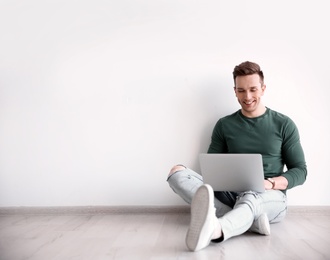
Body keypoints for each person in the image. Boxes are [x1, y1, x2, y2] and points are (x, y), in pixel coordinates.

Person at [166, 61, 307, 252]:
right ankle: (252, 222)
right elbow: (211, 169)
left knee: (251, 196)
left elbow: (300, 171)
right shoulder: (224, 125)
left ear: (263, 89)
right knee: (177, 173)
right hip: (230, 195)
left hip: (270, 197)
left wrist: (271, 183)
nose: (247, 97)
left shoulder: (284, 124)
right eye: (241, 90)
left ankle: (216, 229)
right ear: (235, 91)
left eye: (253, 89)